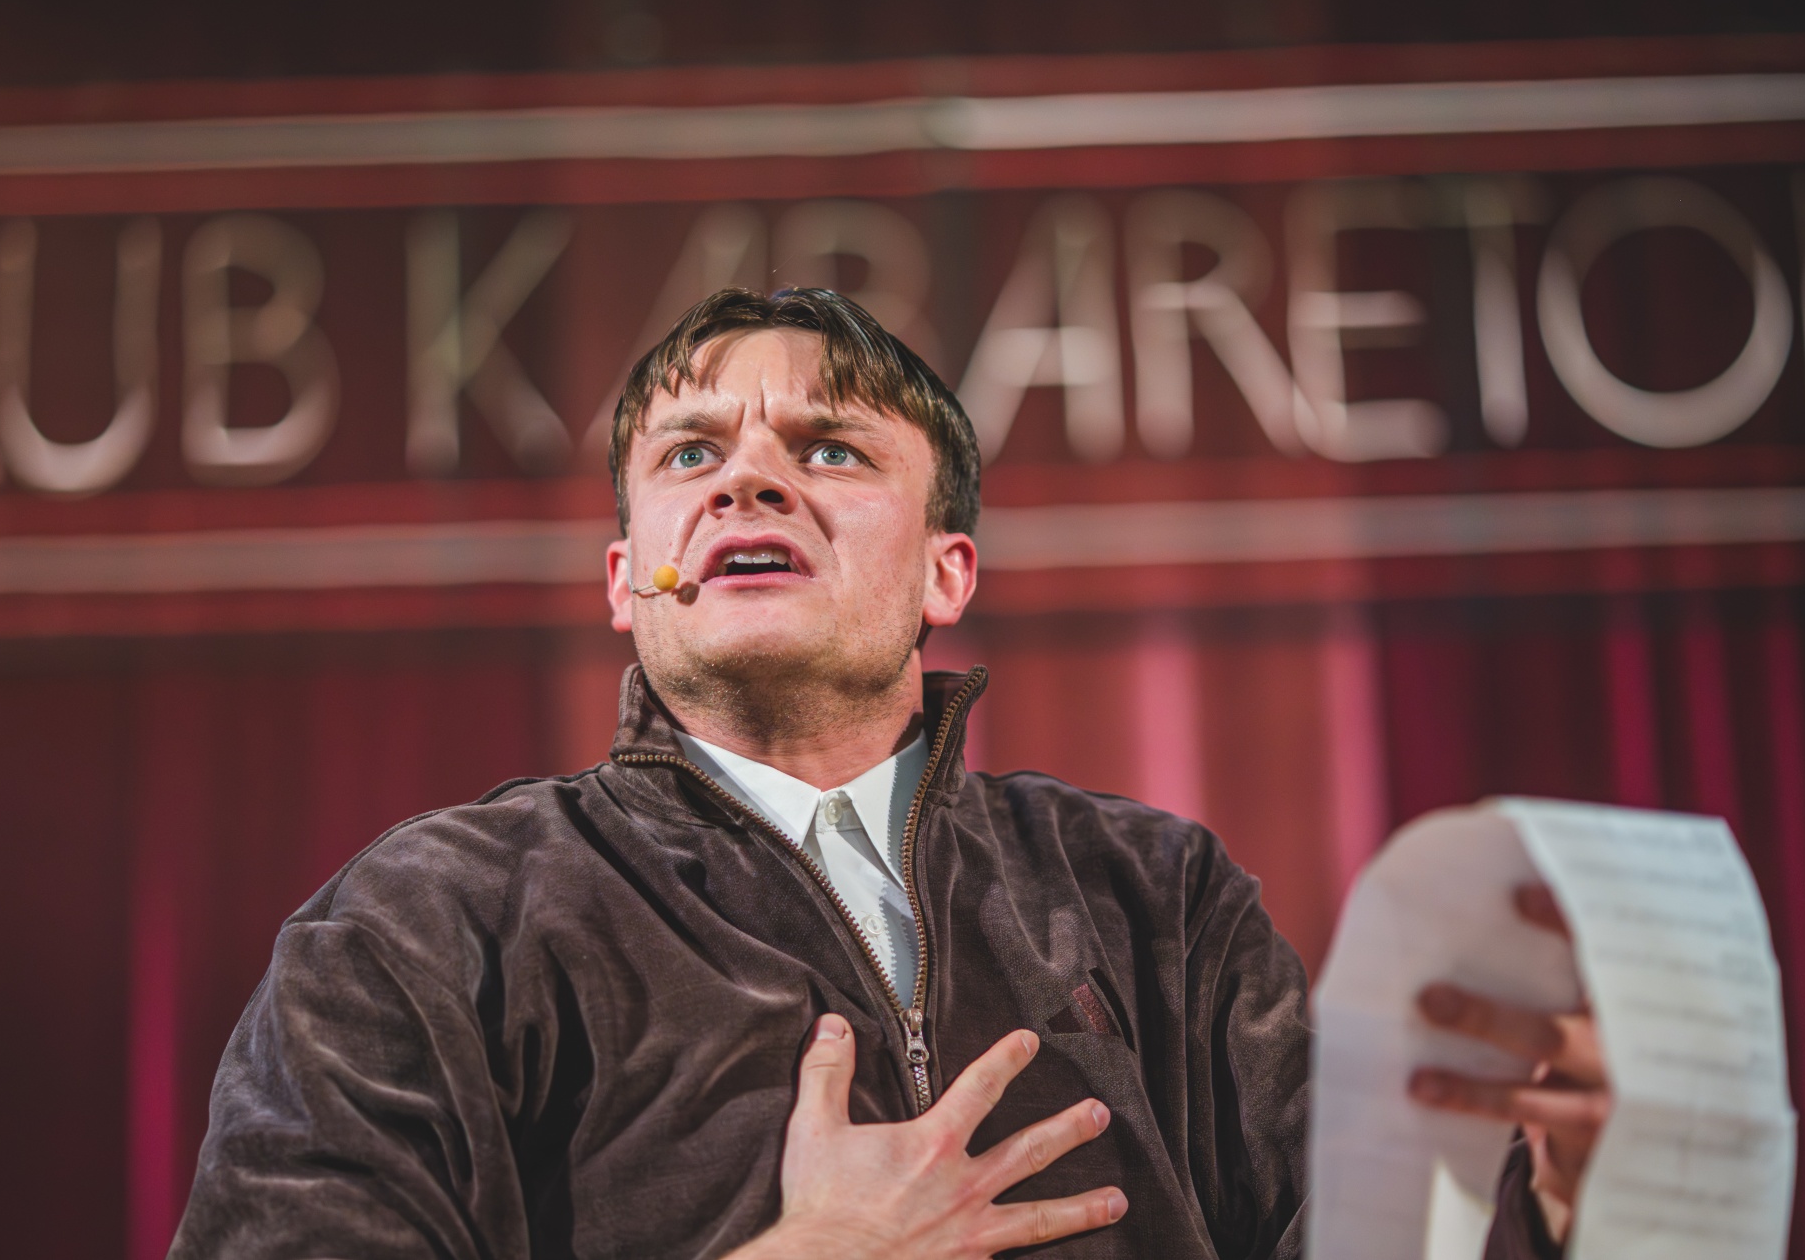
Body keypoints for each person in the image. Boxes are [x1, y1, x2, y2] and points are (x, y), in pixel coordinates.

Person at [172, 288, 1606, 1259]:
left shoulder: (1161, 897)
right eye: (691, 452)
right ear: (626, 581)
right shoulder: (424, 923)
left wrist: (1559, 1205)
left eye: (833, 450)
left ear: (945, 572)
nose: (747, 481)